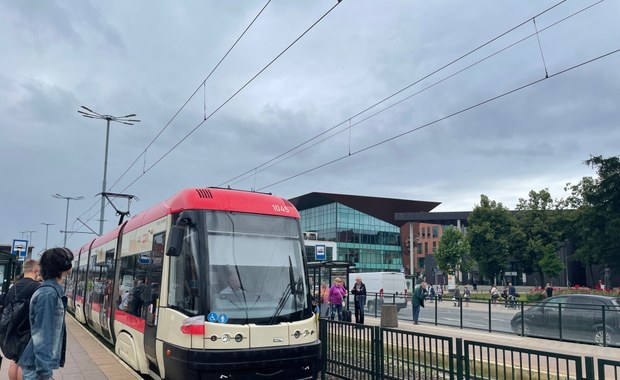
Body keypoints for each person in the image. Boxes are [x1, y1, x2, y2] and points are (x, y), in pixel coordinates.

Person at [18, 247, 74, 380]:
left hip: (37, 365)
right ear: (63, 264)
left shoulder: (50, 291)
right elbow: (42, 334)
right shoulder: (48, 294)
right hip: (37, 368)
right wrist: (45, 371)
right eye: (70, 261)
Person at [1, 259, 40, 380]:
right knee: (25, 363)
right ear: (35, 270)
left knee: (15, 360)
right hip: (27, 329)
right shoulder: (37, 287)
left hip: (12, 328)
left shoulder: (14, 287)